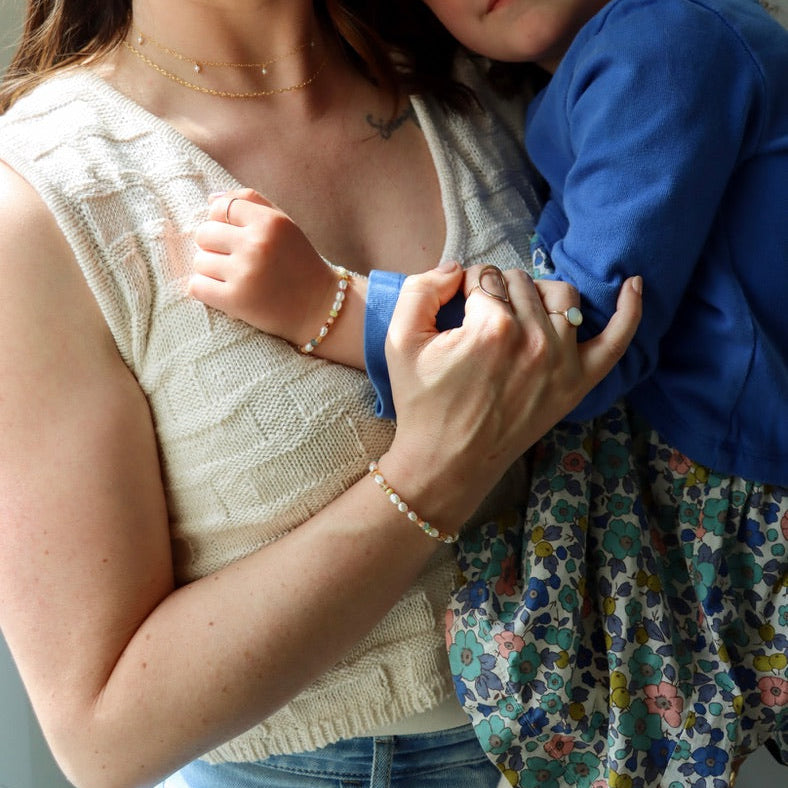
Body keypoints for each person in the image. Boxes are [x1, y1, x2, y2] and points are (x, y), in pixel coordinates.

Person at [0, 2, 643, 787]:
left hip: (600, 735)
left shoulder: (475, 65)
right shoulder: (41, 201)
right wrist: (436, 469)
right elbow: (101, 735)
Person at [186, 0, 788, 785]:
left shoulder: (667, 40)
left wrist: (327, 307)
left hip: (743, 493)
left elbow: (582, 339)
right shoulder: (548, 80)